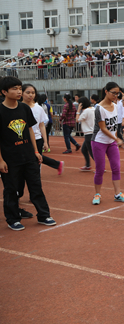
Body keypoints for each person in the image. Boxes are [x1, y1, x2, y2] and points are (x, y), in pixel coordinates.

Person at [0, 76, 56, 230]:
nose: (19, 91)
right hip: (10, 158)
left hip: (28, 155)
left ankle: (44, 215)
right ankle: (13, 219)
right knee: (11, 190)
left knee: (36, 186)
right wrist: (0, 160)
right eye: (15, 89)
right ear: (4, 92)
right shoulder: (1, 111)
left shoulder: (24, 108)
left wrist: (36, 151)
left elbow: (30, 129)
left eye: (19, 88)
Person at [91, 82, 124, 205]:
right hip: (99, 141)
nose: (116, 95)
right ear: (106, 91)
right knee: (100, 169)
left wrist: (119, 136)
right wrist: (116, 139)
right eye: (113, 92)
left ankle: (118, 194)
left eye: (117, 93)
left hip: (112, 141)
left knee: (116, 167)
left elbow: (115, 125)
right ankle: (97, 194)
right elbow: (103, 128)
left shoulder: (115, 105)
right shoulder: (99, 108)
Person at [21, 84, 63, 177]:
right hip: (21, 140)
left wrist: (45, 142)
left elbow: (42, 126)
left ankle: (36, 179)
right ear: (22, 93)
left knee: (37, 161)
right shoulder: (18, 107)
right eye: (28, 92)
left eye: (33, 93)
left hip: (37, 138)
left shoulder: (38, 108)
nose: (30, 95)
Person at [76, 96, 95, 171]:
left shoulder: (86, 111)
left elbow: (77, 120)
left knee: (92, 152)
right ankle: (88, 165)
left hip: (89, 134)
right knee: (84, 149)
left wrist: (78, 110)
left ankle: (101, 167)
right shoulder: (93, 109)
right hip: (93, 132)